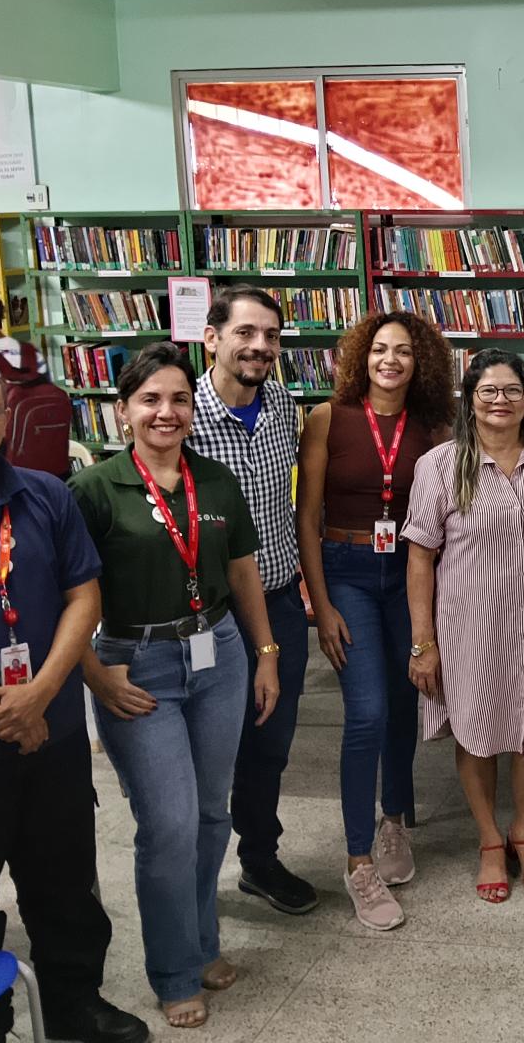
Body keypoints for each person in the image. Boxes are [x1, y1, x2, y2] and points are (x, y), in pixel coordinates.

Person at [0, 360, 146, 1043]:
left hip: (52, 735)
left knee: (66, 883)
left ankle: (75, 1002)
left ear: (6, 419)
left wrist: (42, 693)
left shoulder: (46, 495)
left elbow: (84, 596)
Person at [71, 344, 280, 1029]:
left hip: (219, 652)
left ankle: (202, 942)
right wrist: (95, 674)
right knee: (169, 824)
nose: (166, 412)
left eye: (179, 399)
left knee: (213, 813)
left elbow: (243, 570)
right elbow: (66, 595)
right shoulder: (94, 489)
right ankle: (173, 971)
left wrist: (267, 654)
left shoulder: (215, 480)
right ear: (123, 410)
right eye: (150, 399)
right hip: (135, 665)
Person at [295, 311, 453, 930]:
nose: (391, 360)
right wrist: (321, 604)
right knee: (367, 711)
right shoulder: (327, 419)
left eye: (404, 351)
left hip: (408, 574)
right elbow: (307, 516)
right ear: (361, 356)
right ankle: (358, 860)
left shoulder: (433, 428)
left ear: (420, 363)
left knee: (403, 699)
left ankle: (395, 821)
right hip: (347, 571)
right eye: (380, 349)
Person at [404, 349, 524, 905]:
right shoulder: (441, 466)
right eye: (488, 390)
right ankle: (490, 840)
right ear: (469, 400)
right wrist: (423, 643)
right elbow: (420, 557)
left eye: (513, 390)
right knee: (477, 731)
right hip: (466, 626)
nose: (501, 400)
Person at [188, 285, 316, 915]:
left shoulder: (283, 406)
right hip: (207, 615)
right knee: (208, 749)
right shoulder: (181, 413)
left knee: (269, 744)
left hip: (279, 602)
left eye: (270, 335)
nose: (260, 346)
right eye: (245, 332)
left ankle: (260, 861)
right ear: (212, 337)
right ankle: (192, 877)